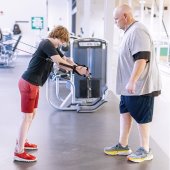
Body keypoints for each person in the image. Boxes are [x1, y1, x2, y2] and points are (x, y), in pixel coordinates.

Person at [14, 25, 89, 162]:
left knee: (32, 115)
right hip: (28, 83)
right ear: (57, 36)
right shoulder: (47, 43)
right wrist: (74, 68)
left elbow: (64, 61)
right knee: (27, 117)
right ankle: (19, 151)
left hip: (34, 84)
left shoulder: (52, 47)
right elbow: (58, 61)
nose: (62, 44)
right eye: (62, 41)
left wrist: (77, 66)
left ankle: (22, 140)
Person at [104, 4, 161, 163]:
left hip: (140, 87)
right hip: (128, 87)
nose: (115, 23)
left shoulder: (138, 30)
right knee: (125, 113)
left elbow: (142, 58)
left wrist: (132, 81)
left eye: (116, 19)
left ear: (125, 17)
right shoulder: (129, 32)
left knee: (142, 116)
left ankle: (145, 149)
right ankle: (123, 145)